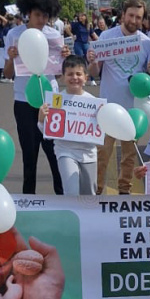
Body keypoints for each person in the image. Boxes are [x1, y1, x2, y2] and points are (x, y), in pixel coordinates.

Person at [4, 0, 68, 195]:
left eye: (45, 16)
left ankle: (63, 198)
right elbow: (7, 73)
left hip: (52, 100)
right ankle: (28, 201)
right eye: (37, 15)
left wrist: (63, 59)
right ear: (28, 14)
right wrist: (11, 58)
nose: (41, 20)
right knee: (29, 155)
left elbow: (58, 74)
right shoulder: (14, 35)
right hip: (23, 101)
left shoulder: (54, 35)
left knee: (55, 151)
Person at [87, 0, 150, 195]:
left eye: (138, 17)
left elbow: (148, 79)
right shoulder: (106, 38)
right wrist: (92, 60)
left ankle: (124, 192)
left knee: (128, 157)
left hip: (133, 111)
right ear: (123, 15)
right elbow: (94, 72)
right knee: (102, 154)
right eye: (131, 15)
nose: (134, 20)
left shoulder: (147, 44)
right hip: (107, 109)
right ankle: (97, 193)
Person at [38, 56, 98, 196]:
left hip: (88, 154)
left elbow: (100, 131)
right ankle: (71, 217)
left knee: (89, 194)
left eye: (78, 74)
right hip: (65, 151)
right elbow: (48, 132)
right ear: (63, 77)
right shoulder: (56, 100)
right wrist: (41, 120)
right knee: (71, 192)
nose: (74, 78)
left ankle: (87, 218)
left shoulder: (94, 102)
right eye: (70, 74)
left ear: (86, 77)